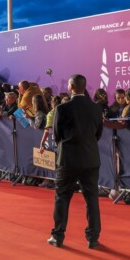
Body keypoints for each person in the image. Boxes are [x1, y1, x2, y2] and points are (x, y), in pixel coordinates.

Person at [48, 74, 103, 250]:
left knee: (62, 197)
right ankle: (93, 238)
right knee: (92, 199)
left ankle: (58, 236)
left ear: (71, 87)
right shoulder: (96, 108)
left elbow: (57, 135)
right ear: (84, 87)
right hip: (90, 158)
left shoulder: (62, 108)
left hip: (68, 159)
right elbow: (98, 134)